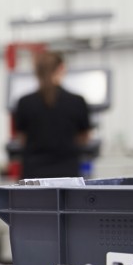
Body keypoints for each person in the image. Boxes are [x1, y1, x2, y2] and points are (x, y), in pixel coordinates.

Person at [13, 50, 92, 179]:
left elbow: (22, 139)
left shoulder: (24, 102)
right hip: (67, 175)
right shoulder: (77, 101)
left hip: (33, 176)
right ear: (61, 69)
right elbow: (84, 138)